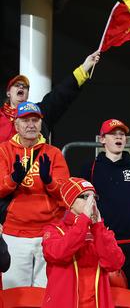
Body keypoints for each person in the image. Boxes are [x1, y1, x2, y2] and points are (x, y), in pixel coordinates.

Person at [79, 119, 130, 292]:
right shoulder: (89, 167)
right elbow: (77, 205)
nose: (118, 137)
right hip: (100, 242)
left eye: (122, 134)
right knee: (99, 294)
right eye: (113, 134)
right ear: (102, 139)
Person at [0, 101, 69, 288]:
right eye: (25, 120)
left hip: (48, 233)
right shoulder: (4, 150)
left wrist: (49, 182)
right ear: (16, 125)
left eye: (35, 120)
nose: (31, 124)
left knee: (46, 291)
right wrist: (13, 179)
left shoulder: (53, 153)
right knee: (15, 291)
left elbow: (65, 194)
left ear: (41, 124)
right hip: (15, 232)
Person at [41, 177, 125, 307]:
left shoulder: (101, 231)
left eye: (94, 197)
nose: (91, 202)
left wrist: (98, 226)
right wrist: (84, 220)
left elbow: (115, 263)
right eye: (85, 197)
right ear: (70, 202)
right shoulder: (54, 230)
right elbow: (58, 253)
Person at [0, 51, 100, 141]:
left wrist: (85, 67)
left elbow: (61, 94)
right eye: (17, 85)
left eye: (25, 87)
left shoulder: (39, 112)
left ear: (27, 94)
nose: (21, 87)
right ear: (8, 93)